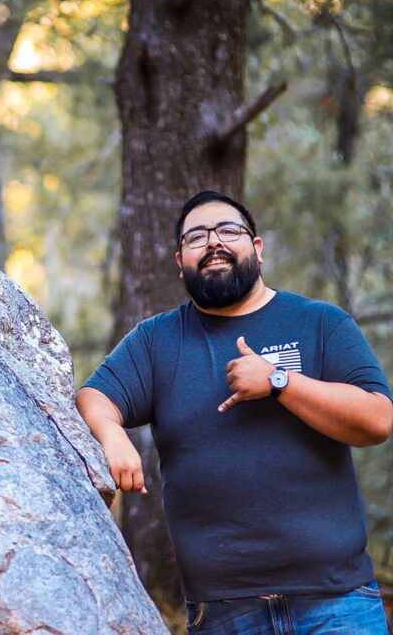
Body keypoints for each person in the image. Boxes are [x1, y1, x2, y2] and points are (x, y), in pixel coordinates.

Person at [77, 190, 393, 634]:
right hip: (224, 614)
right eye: (196, 237)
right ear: (179, 262)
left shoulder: (320, 322)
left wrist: (280, 381)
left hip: (336, 604)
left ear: (257, 249)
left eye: (228, 230)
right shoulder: (157, 340)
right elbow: (94, 395)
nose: (213, 243)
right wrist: (112, 435)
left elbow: (377, 420)